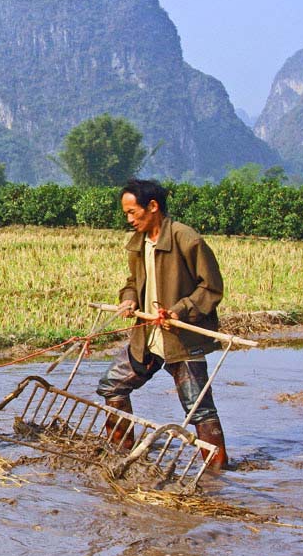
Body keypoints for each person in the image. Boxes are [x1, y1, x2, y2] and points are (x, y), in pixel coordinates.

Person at [96, 178, 229, 469]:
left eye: (133, 212)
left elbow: (211, 287)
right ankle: (120, 452)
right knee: (112, 386)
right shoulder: (138, 243)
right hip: (147, 338)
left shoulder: (186, 239)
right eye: (126, 214)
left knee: (198, 409)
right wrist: (129, 299)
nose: (129, 219)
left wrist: (180, 311)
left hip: (181, 340)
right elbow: (132, 283)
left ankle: (218, 470)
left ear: (153, 207)